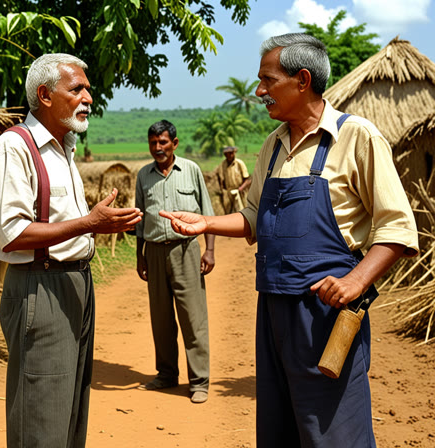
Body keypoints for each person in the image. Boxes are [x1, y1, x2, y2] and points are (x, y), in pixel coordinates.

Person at [160, 34, 419, 446]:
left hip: (326, 316)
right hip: (274, 310)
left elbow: (398, 228)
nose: (259, 91)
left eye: (267, 80)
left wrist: (356, 282)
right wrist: (205, 223)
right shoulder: (273, 145)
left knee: (332, 433)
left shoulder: (357, 138)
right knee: (281, 428)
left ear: (302, 80)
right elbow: (252, 219)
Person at [0, 53, 142, 448]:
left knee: (71, 409)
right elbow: (11, 234)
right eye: (77, 89)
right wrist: (90, 223)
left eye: (88, 89)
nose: (89, 97)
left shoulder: (64, 147)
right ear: (45, 95)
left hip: (76, 285)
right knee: (41, 413)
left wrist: (91, 224)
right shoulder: (14, 148)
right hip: (41, 288)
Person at [135, 120, 216, 404]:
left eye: (163, 142)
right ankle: (167, 374)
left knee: (193, 317)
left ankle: (199, 381)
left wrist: (209, 250)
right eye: (153, 142)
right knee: (161, 319)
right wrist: (140, 256)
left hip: (185, 251)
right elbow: (140, 221)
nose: (158, 148)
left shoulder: (191, 170)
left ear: (175, 143)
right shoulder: (143, 176)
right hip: (154, 252)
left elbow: (207, 212)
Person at [215, 145, 251, 213]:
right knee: (229, 212)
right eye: (228, 154)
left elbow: (246, 179)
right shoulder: (223, 164)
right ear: (225, 154)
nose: (230, 155)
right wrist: (222, 191)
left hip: (239, 191)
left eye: (231, 153)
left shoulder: (239, 163)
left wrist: (241, 188)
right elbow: (221, 179)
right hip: (228, 192)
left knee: (241, 210)